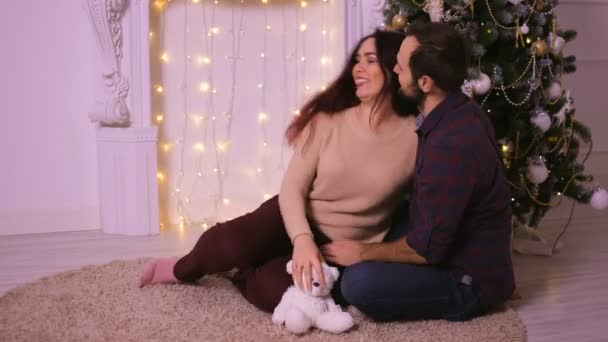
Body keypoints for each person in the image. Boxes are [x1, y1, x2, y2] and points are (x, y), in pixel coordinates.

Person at [139, 29, 420, 313]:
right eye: (357, 60)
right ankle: (181, 268)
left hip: (342, 247)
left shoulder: (416, 138)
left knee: (279, 294)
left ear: (393, 67)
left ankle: (242, 273)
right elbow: (292, 188)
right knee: (230, 243)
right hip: (294, 217)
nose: (358, 68)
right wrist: (302, 239)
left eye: (370, 60)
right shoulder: (328, 120)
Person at [320, 22, 515, 321]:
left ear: (425, 83)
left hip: (467, 279)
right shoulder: (455, 110)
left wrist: (363, 252)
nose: (394, 70)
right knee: (384, 222)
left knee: (358, 283)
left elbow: (428, 250)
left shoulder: (452, 145)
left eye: (400, 66)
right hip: (444, 234)